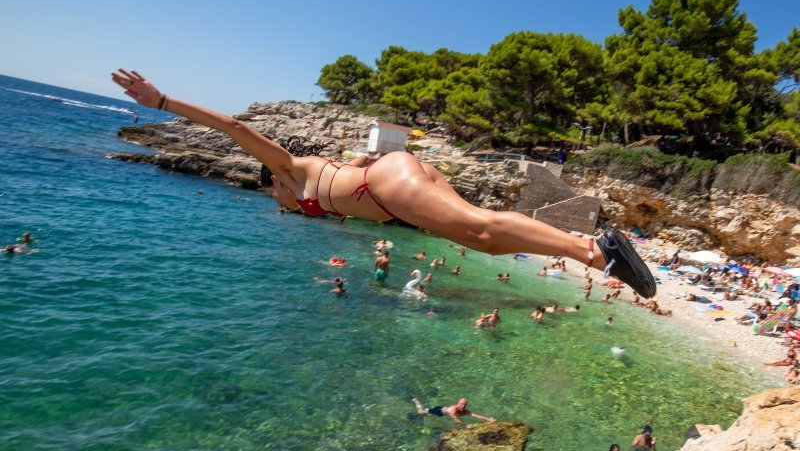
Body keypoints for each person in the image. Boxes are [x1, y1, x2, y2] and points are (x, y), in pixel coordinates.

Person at [111, 69, 657, 298]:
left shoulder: (286, 169)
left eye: (273, 196)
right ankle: (592, 254)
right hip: (392, 192)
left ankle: (594, 248)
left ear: (272, 180)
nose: (277, 202)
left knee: (480, 226)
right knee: (477, 238)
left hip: (387, 183)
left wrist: (161, 102)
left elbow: (234, 128)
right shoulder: (295, 187)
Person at [410, 397, 495, 426]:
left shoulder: (464, 411)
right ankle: (416, 401)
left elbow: (476, 415)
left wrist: (489, 419)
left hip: (442, 410)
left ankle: (426, 411)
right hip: (438, 411)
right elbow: (456, 420)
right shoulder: (453, 410)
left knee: (427, 413)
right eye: (461, 404)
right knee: (421, 413)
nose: (463, 406)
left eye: (465, 405)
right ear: (458, 403)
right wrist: (466, 426)